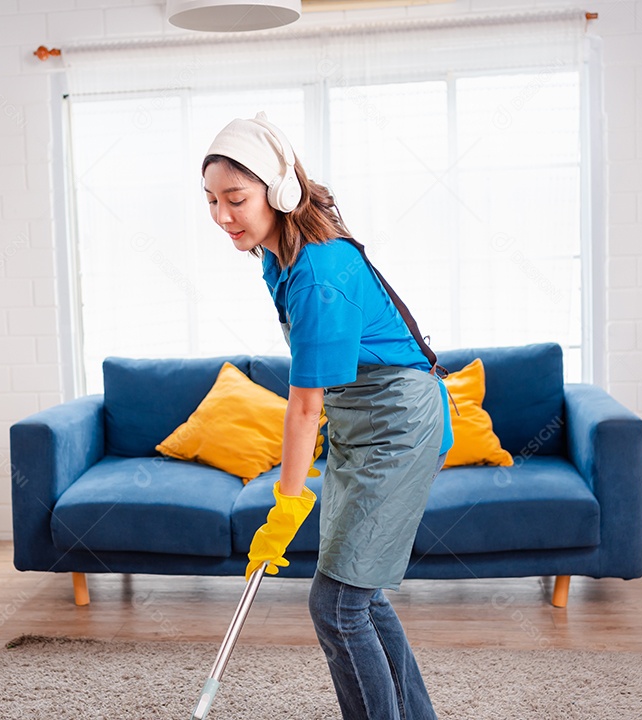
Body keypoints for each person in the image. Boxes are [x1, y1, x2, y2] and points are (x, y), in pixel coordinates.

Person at [201, 112, 455, 720]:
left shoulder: (319, 269)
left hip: (396, 427)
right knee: (359, 597)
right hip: (359, 426)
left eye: (235, 199)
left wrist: (287, 503)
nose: (222, 216)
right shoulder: (278, 256)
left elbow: (305, 402)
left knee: (337, 603)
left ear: (279, 191)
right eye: (211, 200)